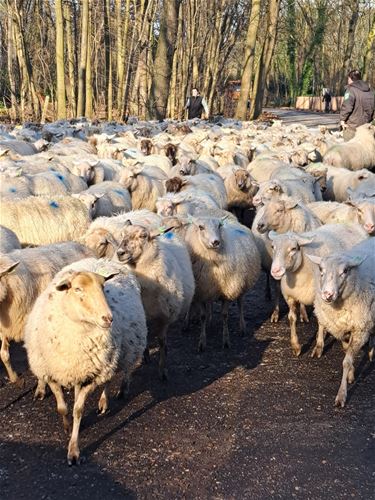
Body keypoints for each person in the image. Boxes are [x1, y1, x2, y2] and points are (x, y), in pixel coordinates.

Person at [340, 69, 375, 141]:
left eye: (348, 79)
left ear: (350, 79)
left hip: (352, 128)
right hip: (366, 127)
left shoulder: (350, 90)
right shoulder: (371, 90)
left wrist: (342, 120)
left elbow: (347, 106)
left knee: (349, 150)